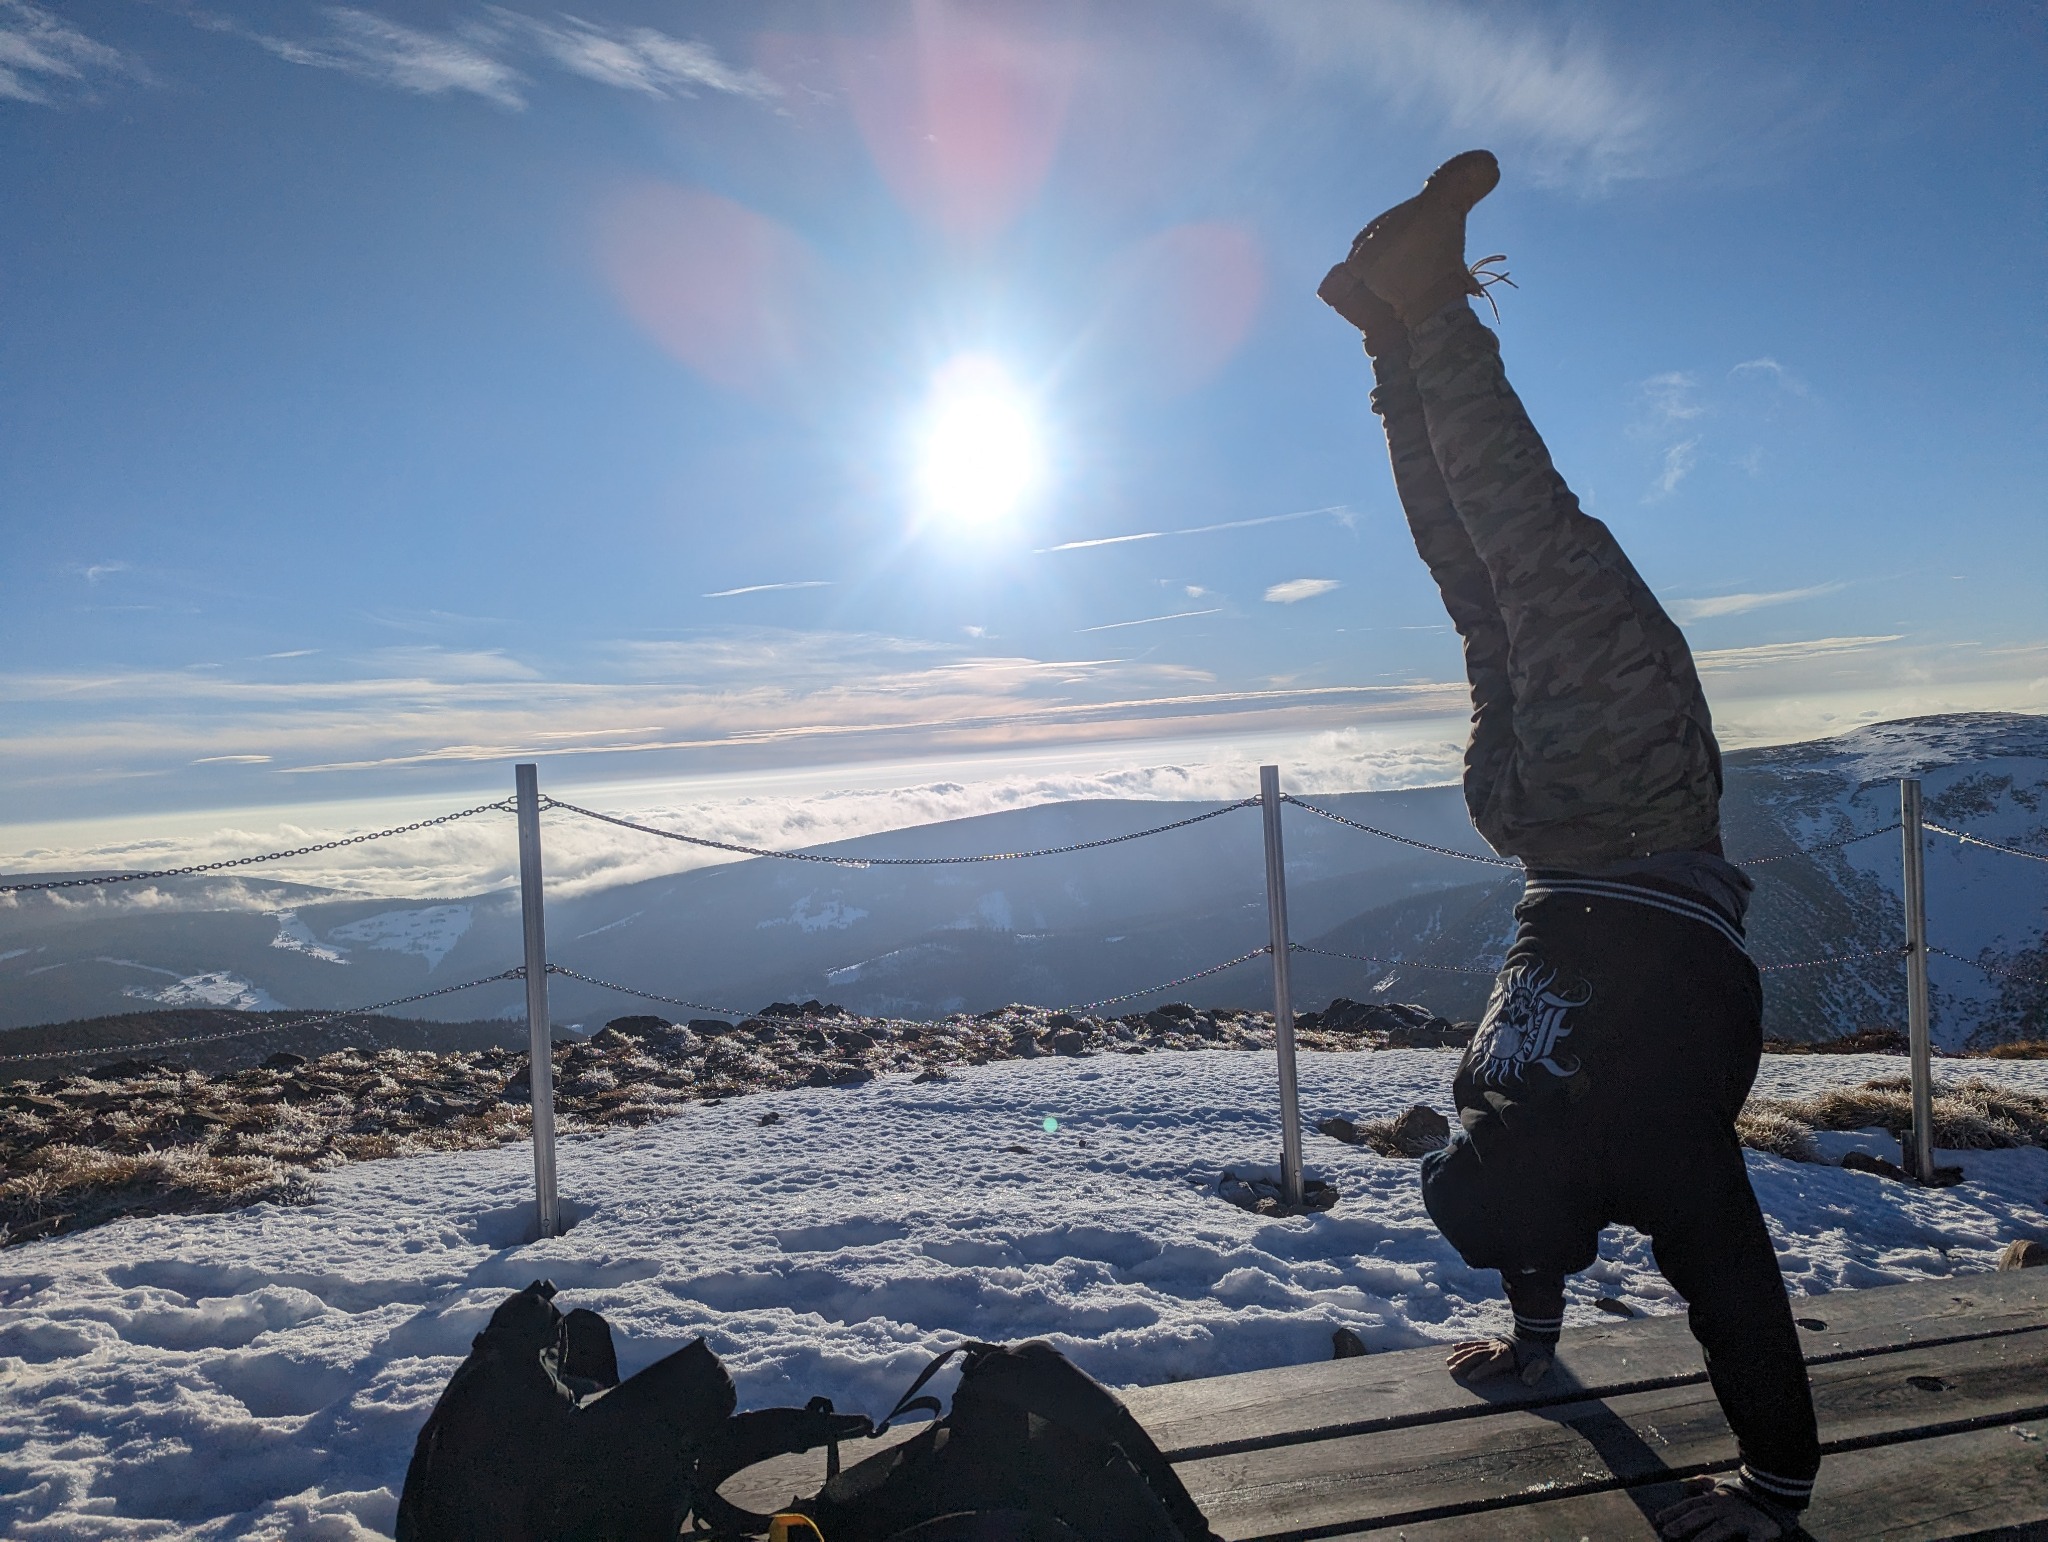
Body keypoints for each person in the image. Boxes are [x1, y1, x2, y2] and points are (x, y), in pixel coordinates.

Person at [1317, 151, 1821, 1542]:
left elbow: (1730, 1287)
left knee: (1530, 554)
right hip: (1532, 820)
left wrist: (1778, 1483)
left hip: (1628, 808)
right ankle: (1398, 334)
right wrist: (1773, 1493)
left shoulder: (1633, 1142)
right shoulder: (1498, 1093)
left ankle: (1418, 319)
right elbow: (1551, 1205)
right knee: (1492, 578)